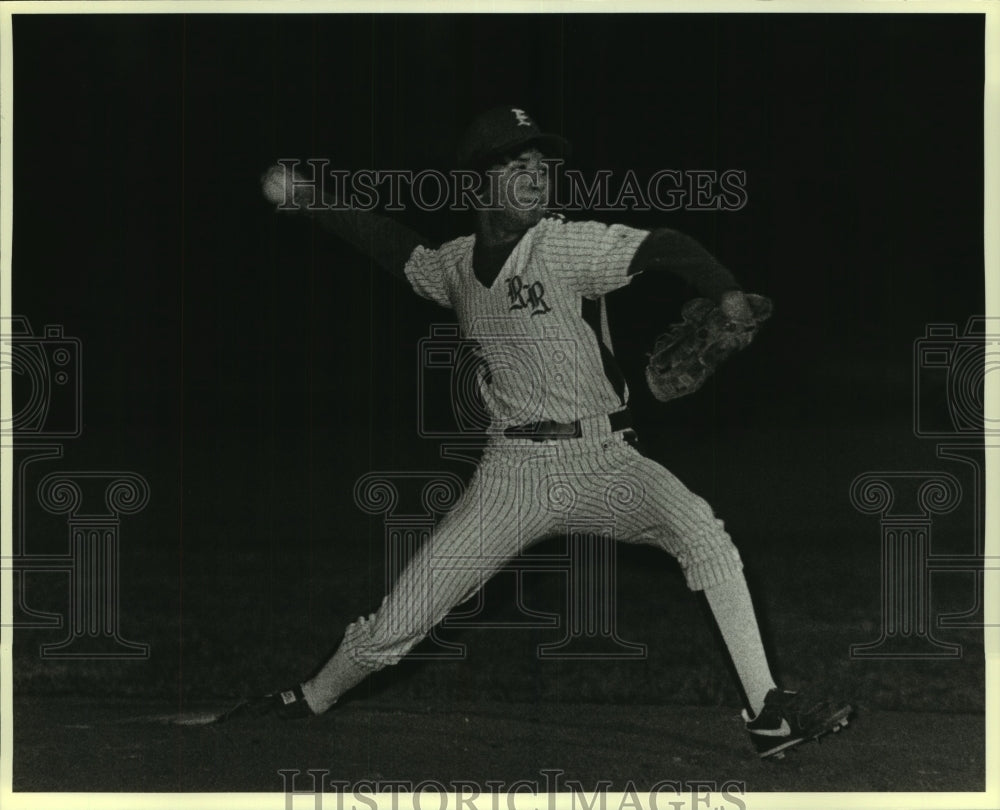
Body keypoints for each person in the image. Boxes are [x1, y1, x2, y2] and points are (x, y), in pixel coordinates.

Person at [219, 107, 851, 760]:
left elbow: (663, 244)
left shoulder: (563, 245)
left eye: (542, 166)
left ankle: (768, 713)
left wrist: (725, 292)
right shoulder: (455, 266)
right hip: (512, 476)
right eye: (516, 164)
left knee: (700, 532)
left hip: (606, 461)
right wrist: (308, 198)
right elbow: (388, 244)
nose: (536, 176)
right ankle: (309, 697)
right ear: (478, 183)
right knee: (402, 619)